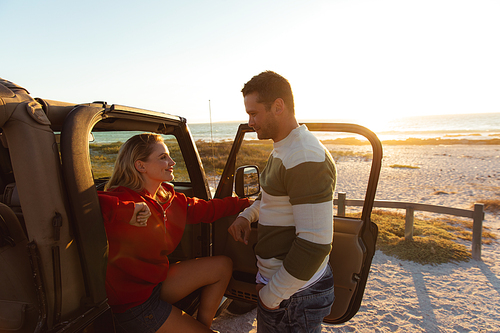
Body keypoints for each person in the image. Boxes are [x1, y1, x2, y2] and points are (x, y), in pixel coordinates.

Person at [98, 133, 250, 333]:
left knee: (222, 265)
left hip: (156, 284)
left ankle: (200, 327)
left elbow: (209, 209)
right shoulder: (121, 198)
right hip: (134, 304)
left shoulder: (169, 198)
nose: (172, 162)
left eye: (169, 156)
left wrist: (250, 205)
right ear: (140, 166)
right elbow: (86, 205)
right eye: (163, 157)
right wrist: (127, 211)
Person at [228, 71, 337, 333]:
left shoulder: (303, 155)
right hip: (285, 289)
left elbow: (314, 244)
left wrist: (270, 295)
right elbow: (269, 198)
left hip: (294, 295)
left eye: (254, 113)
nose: (250, 121)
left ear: (278, 106)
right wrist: (247, 215)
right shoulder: (285, 148)